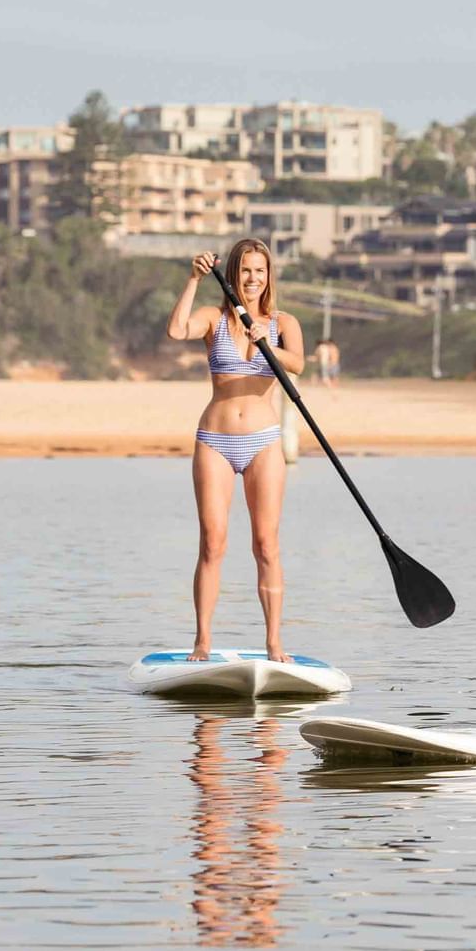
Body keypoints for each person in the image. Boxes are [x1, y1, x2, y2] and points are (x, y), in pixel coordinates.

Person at [165, 239, 306, 663]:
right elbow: (176, 330)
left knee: (266, 544)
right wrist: (192, 279)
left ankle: (274, 643)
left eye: (259, 271)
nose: (252, 278)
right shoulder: (214, 319)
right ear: (232, 274)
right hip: (215, 441)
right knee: (213, 542)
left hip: (264, 442)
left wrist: (269, 341)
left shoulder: (284, 322)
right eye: (245, 270)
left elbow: (296, 364)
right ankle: (202, 642)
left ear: (269, 276)